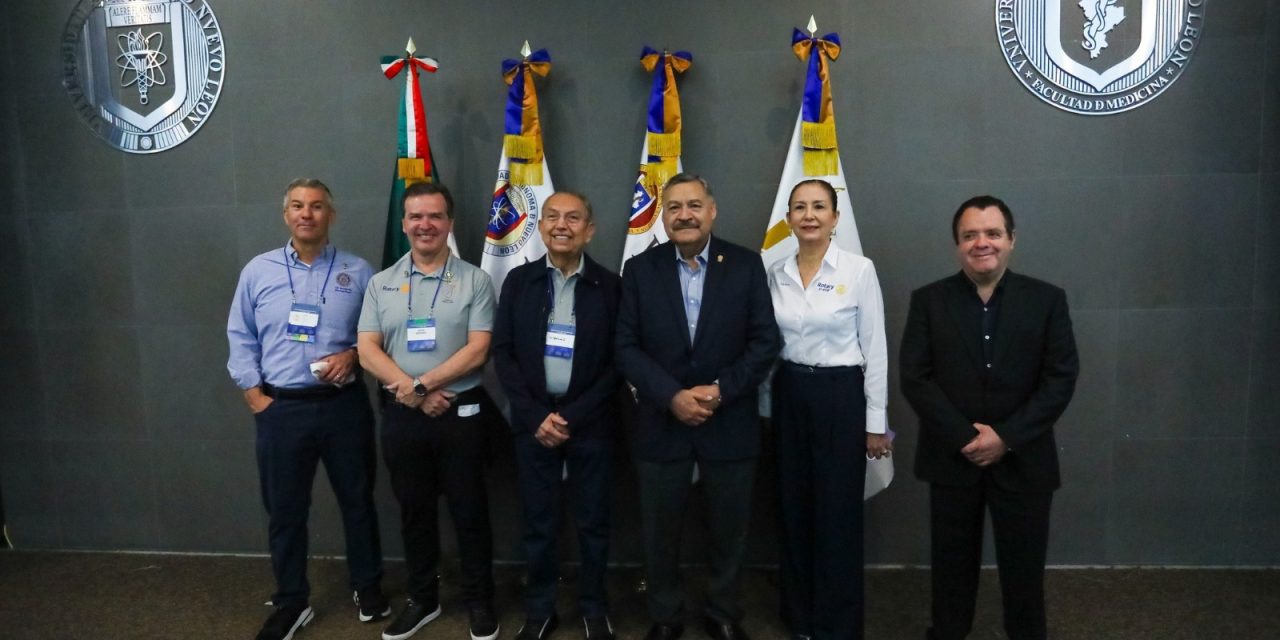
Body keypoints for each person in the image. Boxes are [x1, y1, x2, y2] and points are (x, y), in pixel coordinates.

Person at [900, 195, 1079, 640]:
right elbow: (915, 377)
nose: (982, 243)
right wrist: (965, 437)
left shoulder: (1047, 300)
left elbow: (1060, 378)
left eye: (993, 233)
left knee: (1024, 574)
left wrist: (1006, 437)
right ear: (957, 244)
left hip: (1024, 460)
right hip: (951, 459)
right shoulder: (928, 301)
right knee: (951, 571)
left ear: (1012, 240)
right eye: (970, 235)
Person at [616, 173, 781, 640]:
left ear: (712, 210)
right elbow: (625, 347)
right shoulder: (641, 270)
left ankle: (723, 613)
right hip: (661, 422)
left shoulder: (747, 266)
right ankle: (665, 616)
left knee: (729, 530)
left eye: (693, 205)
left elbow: (764, 340)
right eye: (673, 207)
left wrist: (720, 391)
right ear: (663, 215)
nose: (684, 215)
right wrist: (671, 396)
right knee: (659, 531)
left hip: (728, 420)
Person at [227, 178, 388, 640]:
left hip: (343, 408)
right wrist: (255, 396)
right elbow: (240, 336)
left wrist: (354, 356)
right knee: (285, 510)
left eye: (317, 206)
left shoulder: (359, 272)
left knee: (358, 501)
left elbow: (376, 335)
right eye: (298, 206)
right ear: (286, 215)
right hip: (282, 409)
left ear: (331, 216)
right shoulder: (258, 271)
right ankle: (292, 600)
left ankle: (368, 587)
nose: (307, 214)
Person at [356, 182, 500, 640]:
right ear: (404, 224)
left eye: (435, 216)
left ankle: (480, 599)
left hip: (462, 412)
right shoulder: (382, 283)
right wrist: (412, 392)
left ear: (448, 224)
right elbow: (366, 350)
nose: (425, 225)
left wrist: (422, 384)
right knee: (414, 511)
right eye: (416, 216)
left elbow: (479, 350)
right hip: (404, 417)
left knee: (470, 510)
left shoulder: (475, 279)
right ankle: (423, 599)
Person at [492, 191, 622, 640]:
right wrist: (534, 416)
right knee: (539, 523)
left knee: (593, 522)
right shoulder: (519, 282)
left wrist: (575, 415)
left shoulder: (609, 286)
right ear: (541, 226)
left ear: (590, 229)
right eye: (552, 217)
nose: (561, 225)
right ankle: (540, 608)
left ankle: (593, 607)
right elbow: (503, 354)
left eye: (573, 217)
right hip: (533, 422)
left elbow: (617, 361)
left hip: (592, 423)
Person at [766, 179, 890, 640]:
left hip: (841, 396)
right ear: (789, 220)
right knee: (794, 508)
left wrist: (875, 424)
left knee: (836, 515)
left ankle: (837, 624)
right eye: (800, 207)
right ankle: (800, 618)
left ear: (836, 218)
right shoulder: (776, 271)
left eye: (820, 206)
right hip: (790, 393)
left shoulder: (859, 270)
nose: (809, 215)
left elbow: (874, 350)